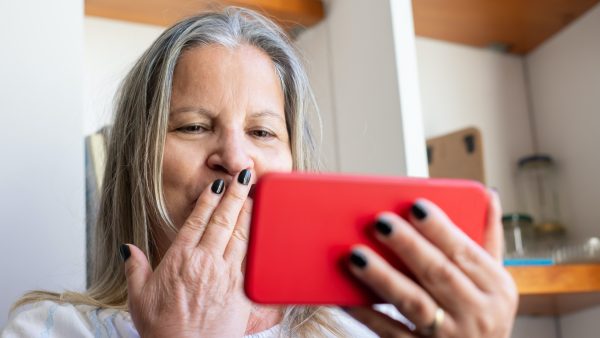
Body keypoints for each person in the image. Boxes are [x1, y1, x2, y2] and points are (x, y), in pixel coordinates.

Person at [1, 7, 517, 338]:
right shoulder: (50, 329)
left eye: (264, 133)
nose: (236, 157)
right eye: (194, 126)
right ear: (137, 160)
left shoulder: (374, 328)